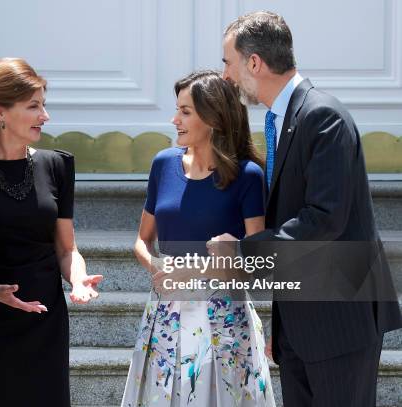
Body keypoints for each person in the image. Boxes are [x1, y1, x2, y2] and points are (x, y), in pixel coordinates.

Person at [212, 11, 402, 407]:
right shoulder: (283, 119)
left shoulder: (322, 116)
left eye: (228, 62)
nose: (226, 75)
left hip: (338, 323)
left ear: (254, 63)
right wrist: (282, 327)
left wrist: (243, 252)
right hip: (301, 326)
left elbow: (324, 219)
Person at [121, 70, 276, 406]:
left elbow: (257, 264)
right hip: (164, 315)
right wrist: (157, 268)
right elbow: (142, 241)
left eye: (186, 111)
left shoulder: (248, 176)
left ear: (214, 117)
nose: (175, 119)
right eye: (178, 109)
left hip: (224, 320)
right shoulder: (163, 164)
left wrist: (191, 271)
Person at [0, 57, 103, 407]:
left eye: (43, 105)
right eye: (33, 106)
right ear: (0, 112)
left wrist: (78, 280)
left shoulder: (56, 165)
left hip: (45, 318)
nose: (45, 116)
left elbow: (67, 248)